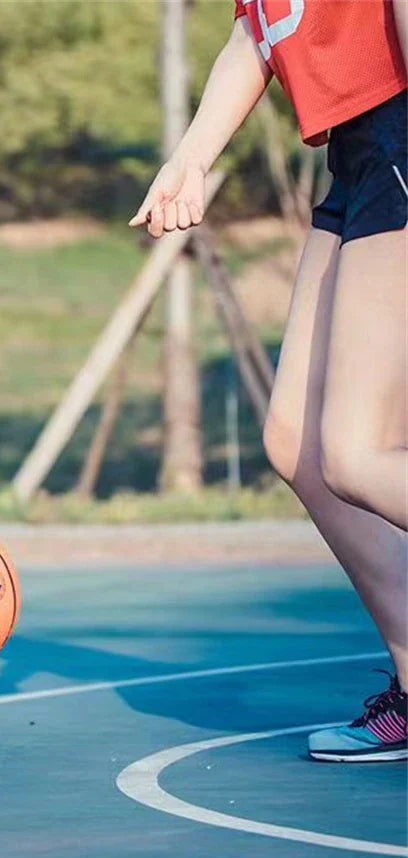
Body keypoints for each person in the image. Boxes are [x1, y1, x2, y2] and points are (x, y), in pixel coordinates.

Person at [131, 0, 407, 761]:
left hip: (401, 140)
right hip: (358, 157)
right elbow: (256, 32)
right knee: (299, 449)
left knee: (358, 454)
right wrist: (191, 157)